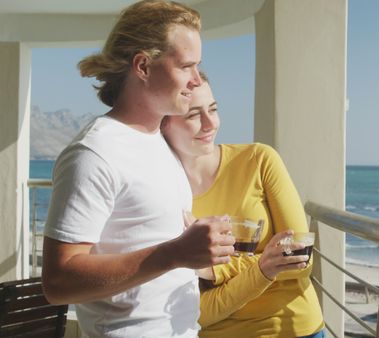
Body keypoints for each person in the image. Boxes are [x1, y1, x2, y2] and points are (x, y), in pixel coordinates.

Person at [42, 1, 235, 337]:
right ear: (143, 66)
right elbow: (59, 282)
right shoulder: (94, 153)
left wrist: (193, 248)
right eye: (186, 66)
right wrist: (174, 253)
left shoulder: (158, 140)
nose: (195, 80)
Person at [161, 72, 326, 338]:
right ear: (162, 124)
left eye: (213, 110)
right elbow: (197, 311)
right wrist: (265, 267)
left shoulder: (259, 160)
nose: (209, 123)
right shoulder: (163, 193)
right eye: (193, 115)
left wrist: (215, 270)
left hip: (294, 330)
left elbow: (300, 258)